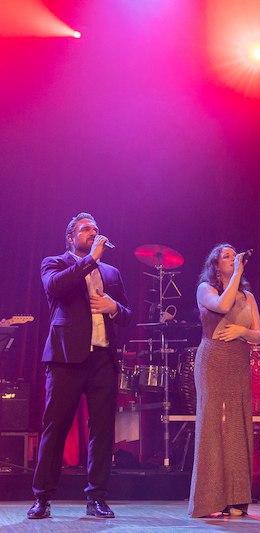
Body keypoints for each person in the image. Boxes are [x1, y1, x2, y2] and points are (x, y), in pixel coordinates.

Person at [28, 213, 132, 520]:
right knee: (55, 428)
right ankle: (42, 498)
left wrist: (114, 308)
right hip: (65, 359)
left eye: (96, 229)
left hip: (102, 358)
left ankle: (97, 498)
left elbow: (127, 314)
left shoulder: (111, 272)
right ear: (70, 238)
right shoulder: (54, 263)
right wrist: (90, 261)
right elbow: (56, 288)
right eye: (85, 229)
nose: (93, 233)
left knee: (102, 431)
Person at [189, 244, 260, 518]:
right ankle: (210, 500)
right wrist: (237, 274)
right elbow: (222, 305)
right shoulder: (205, 290)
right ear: (215, 264)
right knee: (212, 424)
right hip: (213, 358)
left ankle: (236, 498)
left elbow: (258, 335)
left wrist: (243, 331)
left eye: (235, 256)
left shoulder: (249, 297)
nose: (233, 259)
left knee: (236, 423)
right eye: (227, 257)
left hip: (238, 360)